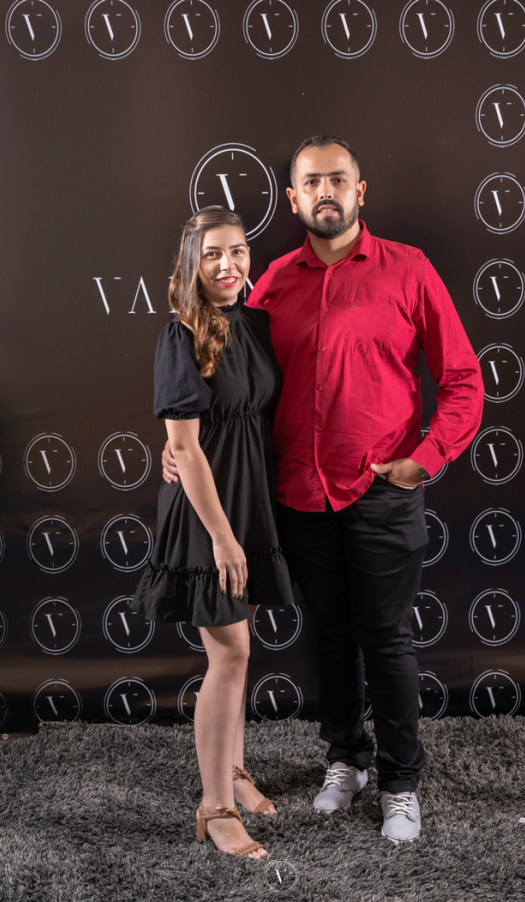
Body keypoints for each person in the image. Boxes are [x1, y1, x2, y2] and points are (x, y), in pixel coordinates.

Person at [162, 138, 484, 844]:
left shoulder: (409, 269)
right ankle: (347, 758)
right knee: (330, 636)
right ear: (293, 199)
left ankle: (400, 782)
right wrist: (178, 441)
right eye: (312, 182)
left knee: (387, 640)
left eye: (339, 179)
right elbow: (223, 376)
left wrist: (425, 460)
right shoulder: (272, 283)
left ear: (360, 192)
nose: (326, 191)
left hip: (381, 492)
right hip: (298, 498)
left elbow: (463, 380)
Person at [132, 206, 294, 860]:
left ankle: (234, 771)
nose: (228, 266)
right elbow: (186, 449)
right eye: (213, 255)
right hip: (208, 515)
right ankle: (216, 806)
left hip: (250, 502)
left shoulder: (254, 324)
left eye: (238, 252)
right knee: (230, 654)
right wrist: (224, 538)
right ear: (192, 264)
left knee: (239, 650)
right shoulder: (180, 335)